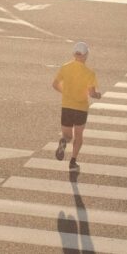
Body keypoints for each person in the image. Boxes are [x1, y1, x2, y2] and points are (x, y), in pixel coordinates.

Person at [53, 41, 101, 172]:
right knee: (78, 136)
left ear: (74, 54)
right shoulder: (89, 73)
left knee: (67, 135)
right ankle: (73, 162)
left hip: (67, 106)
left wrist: (66, 92)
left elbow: (55, 84)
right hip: (81, 108)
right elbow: (91, 93)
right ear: (86, 56)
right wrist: (98, 95)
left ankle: (63, 142)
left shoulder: (65, 67)